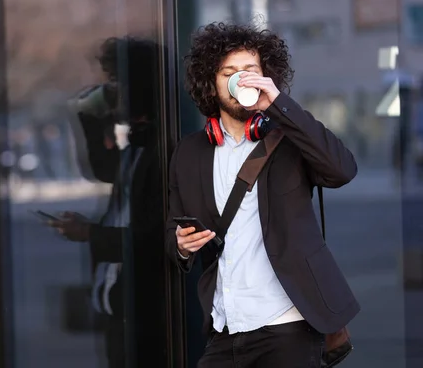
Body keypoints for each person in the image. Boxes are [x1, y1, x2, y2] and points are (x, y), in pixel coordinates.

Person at [166, 22, 360, 367]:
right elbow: (173, 229)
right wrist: (180, 244)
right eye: (230, 72)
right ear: (212, 82)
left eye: (250, 70)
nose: (242, 79)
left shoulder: (291, 139)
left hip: (288, 325)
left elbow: (342, 169)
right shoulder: (189, 152)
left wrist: (280, 105)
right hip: (225, 325)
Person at [50, 36, 166, 367]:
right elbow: (101, 168)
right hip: (121, 312)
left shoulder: (160, 151)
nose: (110, 91)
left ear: (139, 85)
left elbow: (153, 238)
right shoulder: (138, 147)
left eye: (116, 81)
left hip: (145, 314)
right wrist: (91, 115)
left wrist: (90, 234)